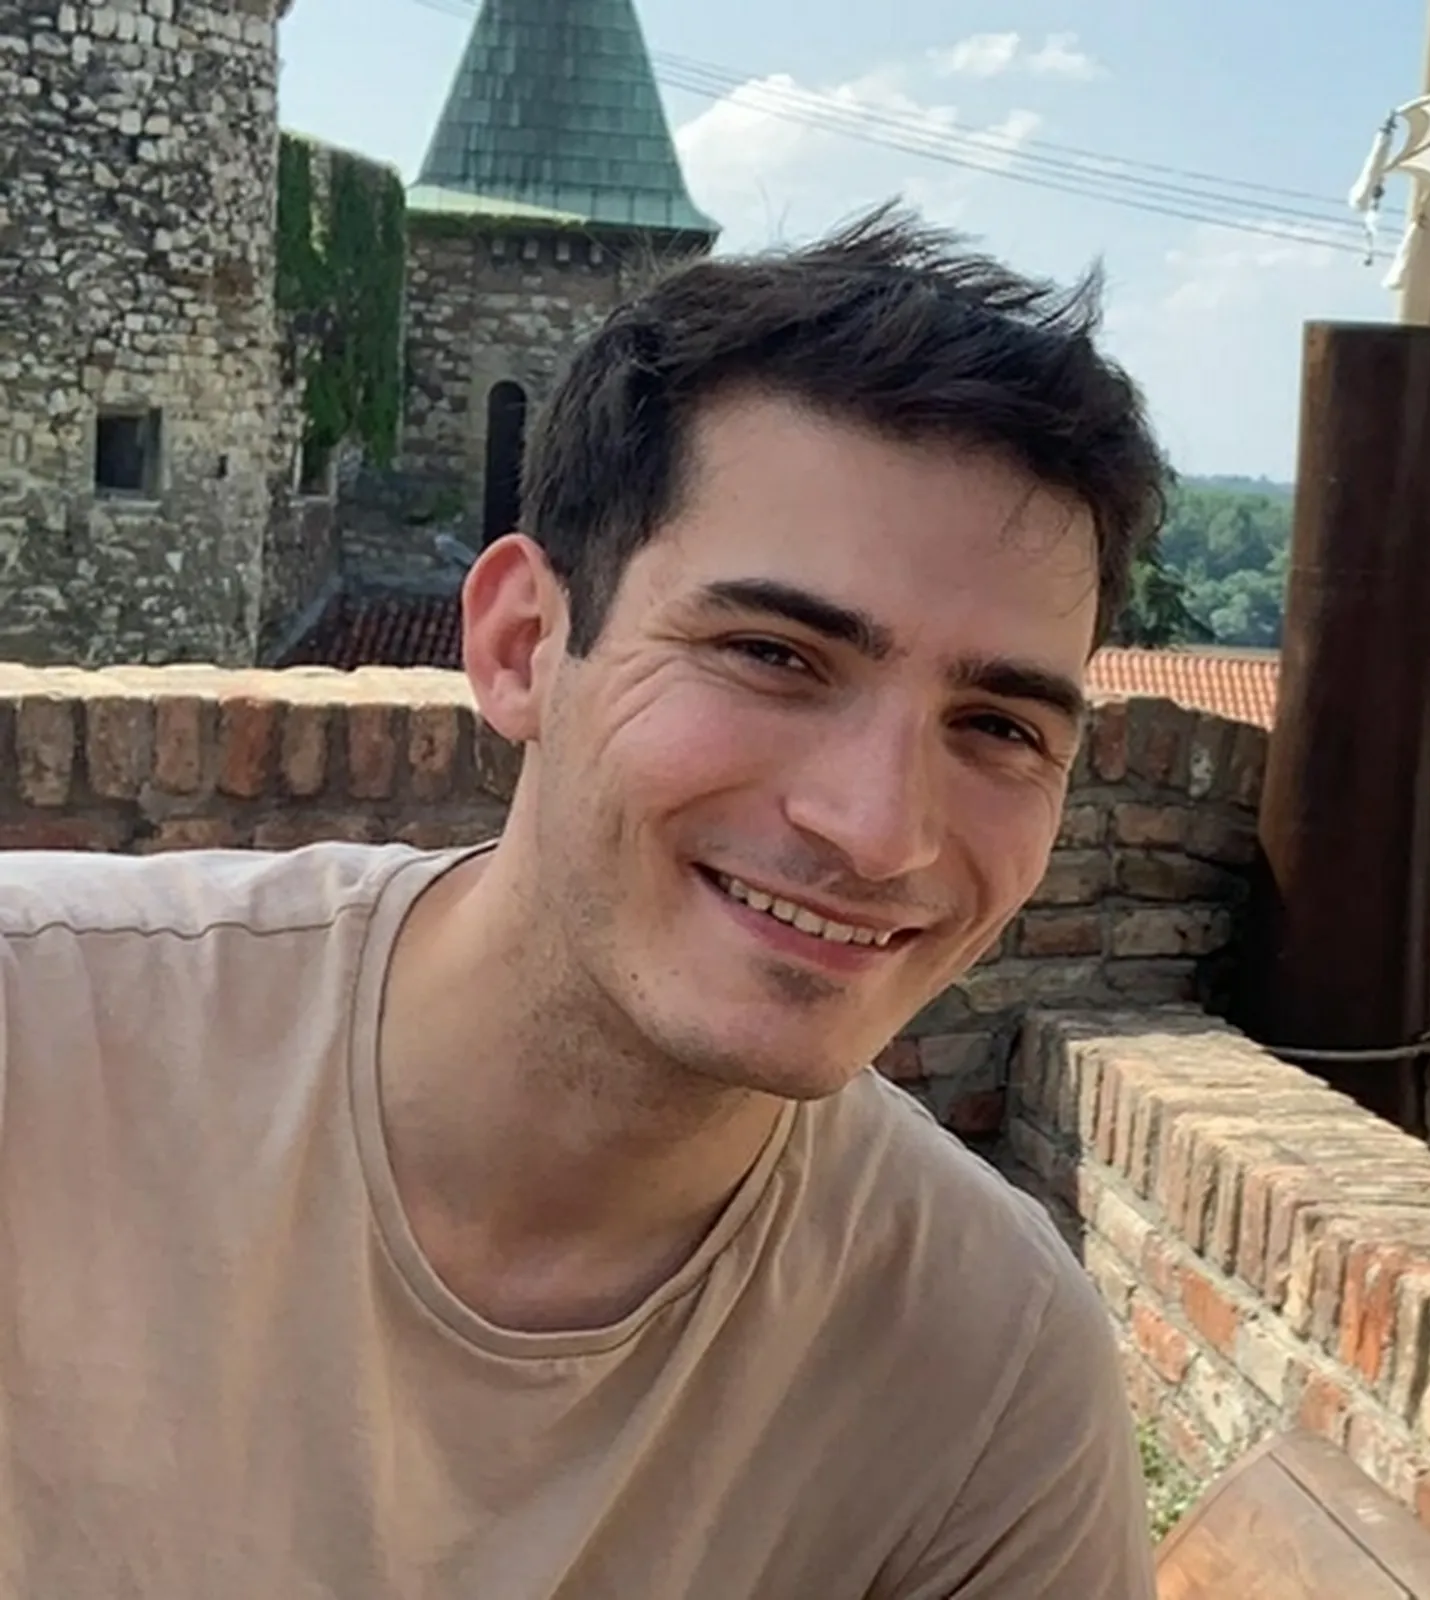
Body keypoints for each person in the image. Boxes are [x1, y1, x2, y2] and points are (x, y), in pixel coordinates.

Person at [0, 205, 1168, 1598]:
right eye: (773, 656)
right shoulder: (38, 1042)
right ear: (523, 646)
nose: (877, 831)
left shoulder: (992, 1373)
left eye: (999, 728)